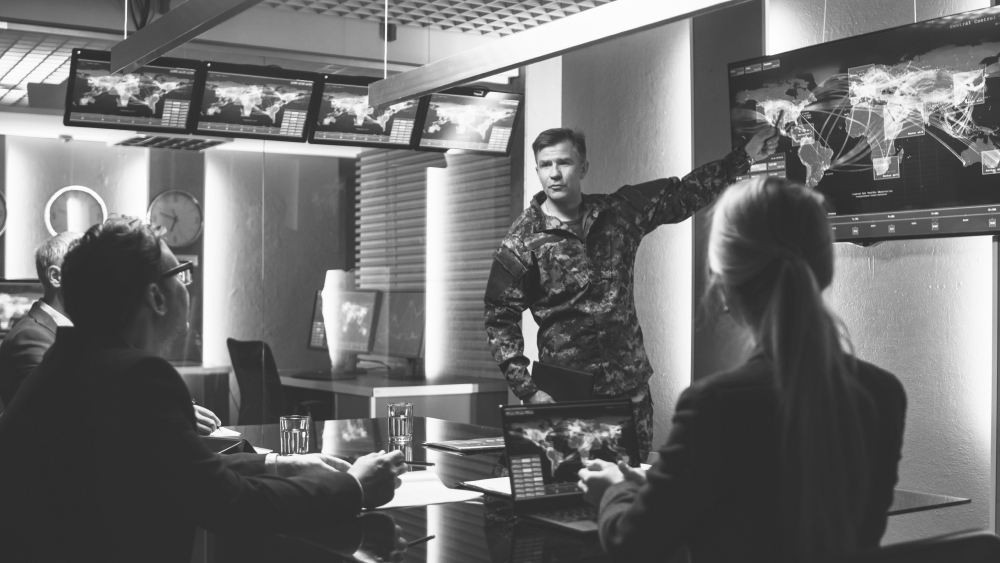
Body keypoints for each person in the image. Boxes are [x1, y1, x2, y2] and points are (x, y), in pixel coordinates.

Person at [0, 217, 407, 562]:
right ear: (156, 297)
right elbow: (229, 504)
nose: (187, 287)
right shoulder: (136, 376)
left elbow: (176, 471)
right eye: (181, 274)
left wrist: (280, 465)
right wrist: (354, 486)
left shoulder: (70, 362)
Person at [578, 176, 907, 563]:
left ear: (723, 282)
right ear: (824, 269)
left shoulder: (713, 405)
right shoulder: (883, 393)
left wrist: (614, 491)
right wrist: (657, 490)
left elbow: (632, 545)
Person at [484, 126, 779, 450]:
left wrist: (744, 156)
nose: (554, 173)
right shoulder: (522, 239)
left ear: (583, 167)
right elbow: (499, 317)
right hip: (566, 396)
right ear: (538, 169)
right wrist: (527, 389)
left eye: (564, 163)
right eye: (545, 165)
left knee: (633, 478)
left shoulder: (617, 214)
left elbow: (682, 195)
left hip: (628, 392)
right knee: (571, 481)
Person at [0, 232, 223, 434]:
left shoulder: (85, 332)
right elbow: (68, 413)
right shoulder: (29, 337)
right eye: (87, 269)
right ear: (56, 277)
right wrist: (164, 411)